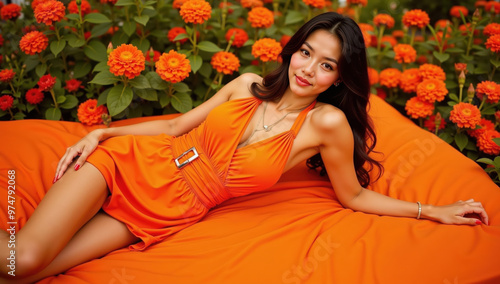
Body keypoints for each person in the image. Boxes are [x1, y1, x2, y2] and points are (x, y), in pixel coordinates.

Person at [0, 12, 489, 283]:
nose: (308, 69)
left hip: (161, 213)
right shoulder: (247, 83)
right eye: (306, 53)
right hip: (128, 166)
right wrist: (101, 135)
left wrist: (432, 211)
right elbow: (173, 128)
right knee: (28, 258)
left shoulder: (326, 123)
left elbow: (355, 197)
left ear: (340, 77)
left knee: (20, 275)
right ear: (292, 50)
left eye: (327, 65)